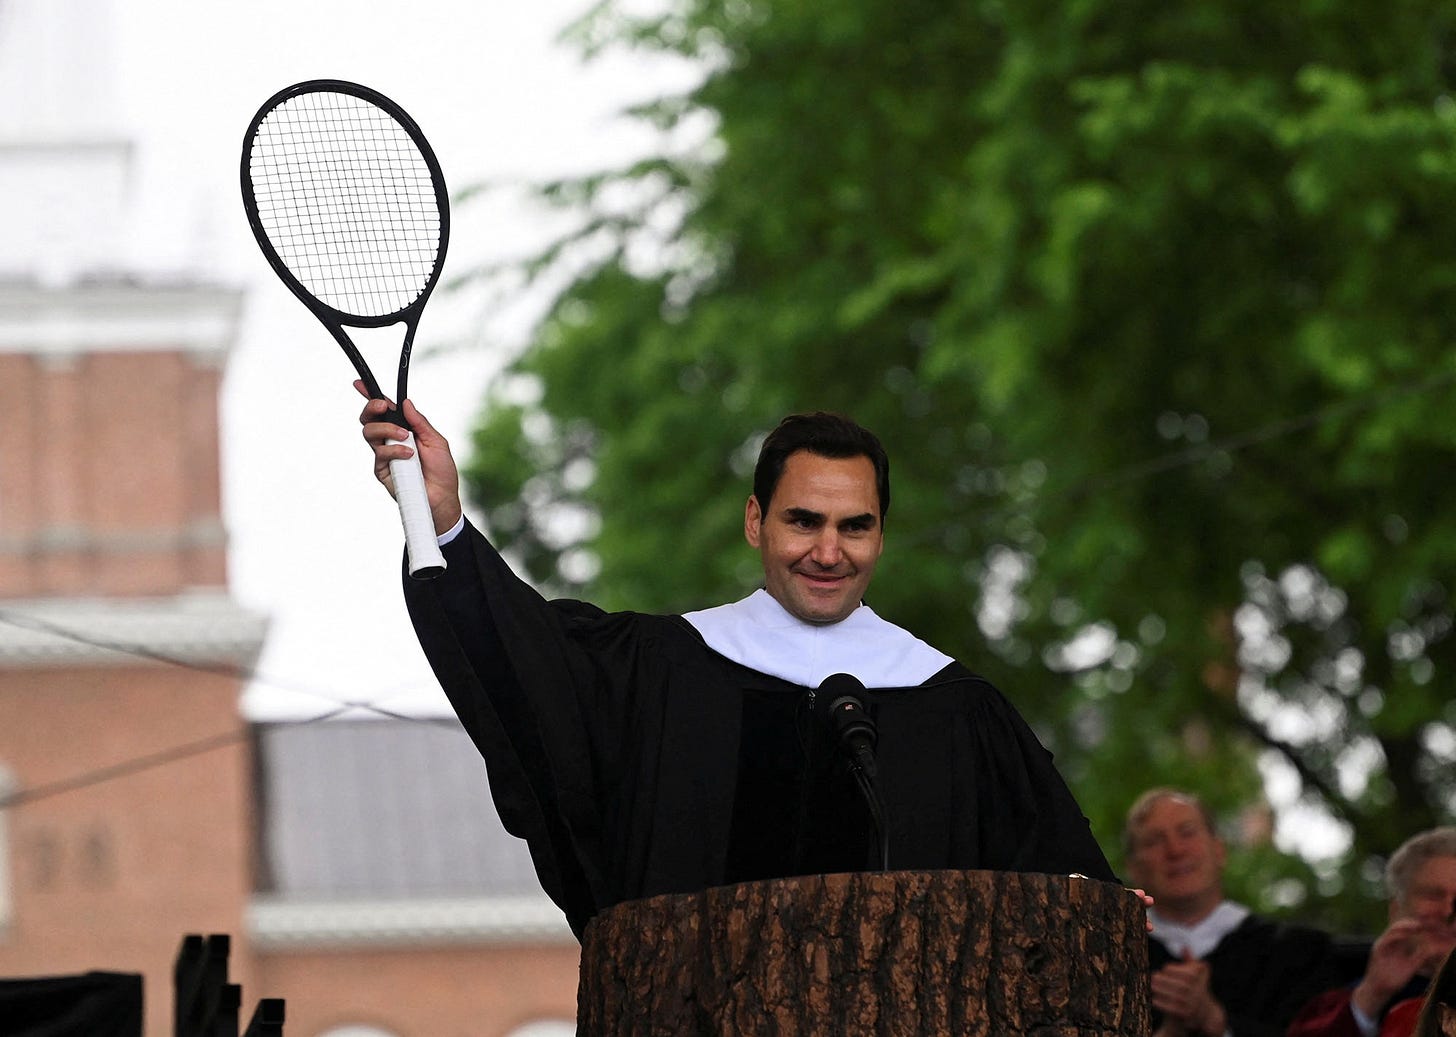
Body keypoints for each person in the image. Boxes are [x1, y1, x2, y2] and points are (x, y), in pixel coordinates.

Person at [360, 392, 1119, 937]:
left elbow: (1059, 879)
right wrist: (444, 523)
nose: (829, 552)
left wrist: (1109, 915)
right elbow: (521, 669)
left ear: (882, 535)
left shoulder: (953, 710)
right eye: (803, 521)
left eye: (855, 526)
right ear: (756, 521)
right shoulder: (663, 673)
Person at [1122, 789, 1341, 1037]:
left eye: (1187, 832)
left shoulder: (1299, 953)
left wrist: (1216, 1023)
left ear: (1219, 851)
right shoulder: (1113, 960)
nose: (1175, 850)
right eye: (1153, 841)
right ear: (1133, 868)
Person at [1287, 827, 1456, 1037]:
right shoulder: (1330, 991)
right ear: (1396, 910)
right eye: (1433, 895)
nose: (1448, 911)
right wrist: (1373, 994)